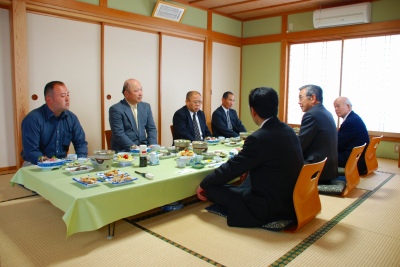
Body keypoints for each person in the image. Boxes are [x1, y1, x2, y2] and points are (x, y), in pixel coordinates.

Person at [197, 87, 304, 228]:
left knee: (211, 189)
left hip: (267, 204)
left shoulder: (259, 137)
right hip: (291, 198)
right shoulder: (289, 130)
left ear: (253, 111)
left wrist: (204, 183)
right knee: (243, 180)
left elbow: (232, 167)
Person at [21, 81, 88, 165]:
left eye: (68, 95)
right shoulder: (33, 119)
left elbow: (80, 143)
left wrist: (80, 161)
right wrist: (48, 162)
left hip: (62, 162)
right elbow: (31, 151)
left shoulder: (71, 118)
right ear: (49, 100)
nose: (67, 99)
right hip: (36, 163)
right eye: (63, 96)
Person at [297, 84, 338, 184]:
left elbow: (300, 145)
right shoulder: (326, 112)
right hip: (329, 168)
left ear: (313, 98)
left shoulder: (311, 115)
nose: (299, 102)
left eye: (301, 98)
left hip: (317, 169)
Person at [109, 79, 157, 152]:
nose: (140, 93)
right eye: (136, 91)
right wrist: (135, 148)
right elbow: (119, 134)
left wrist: (152, 144)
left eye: (141, 90)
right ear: (126, 94)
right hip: (125, 150)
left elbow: (151, 128)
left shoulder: (146, 107)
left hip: (144, 148)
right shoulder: (116, 109)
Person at [334, 96, 369, 175]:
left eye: (338, 106)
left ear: (348, 106)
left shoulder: (351, 122)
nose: (336, 109)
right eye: (335, 107)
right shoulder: (353, 118)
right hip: (356, 157)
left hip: (354, 160)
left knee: (323, 155)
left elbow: (339, 143)